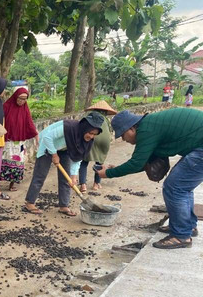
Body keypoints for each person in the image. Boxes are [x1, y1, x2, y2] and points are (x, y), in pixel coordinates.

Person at [97, 108, 203, 249]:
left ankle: (181, 235)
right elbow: (142, 162)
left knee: (175, 187)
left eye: (122, 135)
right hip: (198, 144)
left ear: (131, 128)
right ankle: (187, 226)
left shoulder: (146, 130)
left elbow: (136, 163)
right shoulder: (149, 125)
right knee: (182, 186)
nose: (124, 140)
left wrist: (108, 174)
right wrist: (114, 169)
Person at [23, 113, 104, 216]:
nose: (91, 136)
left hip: (65, 148)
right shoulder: (69, 127)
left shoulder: (88, 141)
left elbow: (78, 158)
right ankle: (29, 203)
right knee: (40, 175)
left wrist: (74, 177)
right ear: (85, 128)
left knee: (66, 178)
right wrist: (54, 154)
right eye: (90, 133)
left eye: (94, 134)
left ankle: (64, 206)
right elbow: (47, 137)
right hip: (48, 144)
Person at [1, 88, 38, 192]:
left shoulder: (25, 108)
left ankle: (12, 184)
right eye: (20, 98)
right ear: (15, 96)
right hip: (6, 140)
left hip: (19, 141)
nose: (22, 101)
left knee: (17, 162)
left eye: (25, 99)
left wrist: (35, 134)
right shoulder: (6, 106)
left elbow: (29, 122)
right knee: (2, 161)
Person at [78, 100, 117, 192]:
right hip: (104, 140)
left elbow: (81, 125)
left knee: (84, 162)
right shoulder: (105, 118)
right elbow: (110, 130)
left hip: (90, 137)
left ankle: (83, 185)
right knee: (99, 162)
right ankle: (96, 184)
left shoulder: (88, 115)